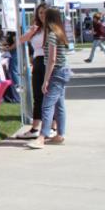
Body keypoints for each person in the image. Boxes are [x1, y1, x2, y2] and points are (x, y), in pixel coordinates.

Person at [27, 9, 72, 149]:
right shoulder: (59, 33)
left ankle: (42, 137)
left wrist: (46, 80)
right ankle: (60, 135)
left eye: (45, 16)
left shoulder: (52, 35)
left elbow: (51, 59)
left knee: (47, 105)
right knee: (59, 104)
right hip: (63, 71)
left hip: (56, 72)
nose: (42, 18)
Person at [16, 4, 49, 139]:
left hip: (49, 61)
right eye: (40, 13)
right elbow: (21, 40)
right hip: (37, 61)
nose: (42, 15)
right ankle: (35, 128)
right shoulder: (37, 28)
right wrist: (31, 32)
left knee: (49, 95)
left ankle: (52, 126)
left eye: (44, 13)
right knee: (37, 96)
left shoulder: (53, 28)